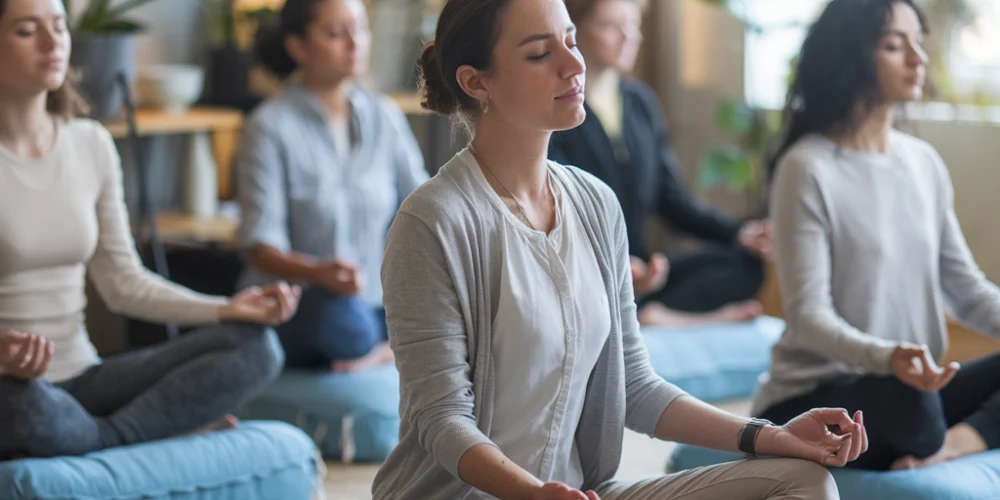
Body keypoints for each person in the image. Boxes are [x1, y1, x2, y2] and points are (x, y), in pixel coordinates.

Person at [371, 0, 869, 498]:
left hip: (585, 492)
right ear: (477, 82)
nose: (575, 64)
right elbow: (442, 420)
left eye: (571, 40)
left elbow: (634, 385)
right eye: (541, 54)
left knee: (805, 480)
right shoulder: (433, 222)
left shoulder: (595, 203)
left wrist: (768, 435)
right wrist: (533, 493)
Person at [0, 0, 301, 460]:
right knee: (16, 405)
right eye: (27, 30)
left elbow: (123, 282)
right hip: (17, 391)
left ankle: (105, 439)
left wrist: (225, 309)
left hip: (86, 378)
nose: (53, 41)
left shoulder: (90, 144)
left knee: (254, 346)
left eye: (59, 26)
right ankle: (146, 434)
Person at [753, 0, 1000, 473]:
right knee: (909, 407)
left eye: (918, 42)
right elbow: (808, 317)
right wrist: (888, 358)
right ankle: (939, 438)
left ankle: (952, 445)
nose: (917, 58)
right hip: (815, 401)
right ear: (852, 57)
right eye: (894, 45)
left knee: (918, 406)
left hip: (912, 391)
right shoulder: (807, 167)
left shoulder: (922, 162)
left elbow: (967, 289)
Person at [548, 0, 770, 328]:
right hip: (588, 274)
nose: (629, 37)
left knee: (746, 264)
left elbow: (673, 201)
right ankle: (656, 315)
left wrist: (739, 234)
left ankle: (656, 315)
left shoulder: (640, 104)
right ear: (573, 32)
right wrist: (619, 265)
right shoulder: (555, 109)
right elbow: (555, 210)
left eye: (634, 25)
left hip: (644, 272)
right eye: (612, 26)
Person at [235, 0, 428, 372]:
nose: (354, 43)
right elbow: (259, 247)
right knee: (344, 324)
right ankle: (380, 347)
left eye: (360, 29)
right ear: (298, 46)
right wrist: (318, 272)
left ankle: (377, 350)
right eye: (337, 33)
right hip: (301, 303)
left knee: (456, 305)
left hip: (373, 301)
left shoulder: (383, 116)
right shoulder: (269, 126)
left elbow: (423, 204)